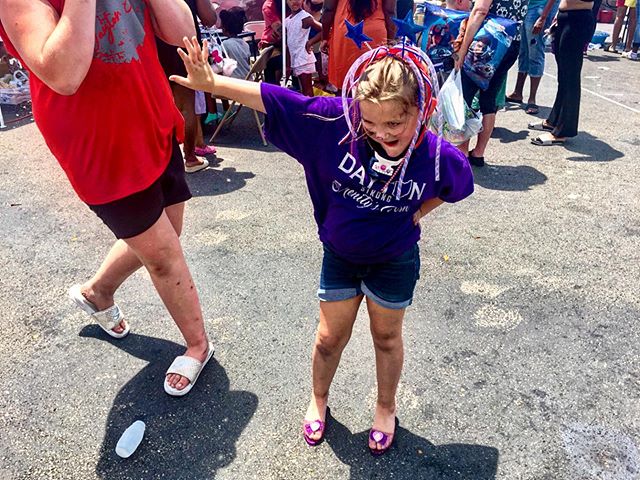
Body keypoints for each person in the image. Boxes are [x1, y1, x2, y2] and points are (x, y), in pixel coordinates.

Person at [170, 37, 474, 454]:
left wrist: (421, 210)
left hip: (395, 259)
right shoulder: (334, 125)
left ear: (423, 112)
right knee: (328, 338)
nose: (381, 136)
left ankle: (386, 408)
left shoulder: (438, 155)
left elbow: (458, 185)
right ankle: (319, 399)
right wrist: (213, 84)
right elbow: (277, 100)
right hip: (340, 256)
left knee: (387, 337)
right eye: (369, 125)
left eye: (394, 126)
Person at [0, 0, 213, 396]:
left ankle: (96, 292)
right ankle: (198, 343)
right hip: (102, 148)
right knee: (164, 258)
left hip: (153, 119)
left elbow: (183, 31)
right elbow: (64, 74)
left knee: (169, 234)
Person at [454, 0, 530, 166]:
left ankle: (462, 150)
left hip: (489, 39)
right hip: (512, 41)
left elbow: (480, 10)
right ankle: (479, 152)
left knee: (465, 96)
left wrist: (463, 48)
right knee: (489, 98)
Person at [157, 0, 217, 173]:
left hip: (151, 46)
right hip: (183, 45)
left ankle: (162, 161)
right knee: (186, 106)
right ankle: (190, 158)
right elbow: (209, 19)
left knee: (154, 104)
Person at [528, 0, 595, 146]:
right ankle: (554, 121)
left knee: (570, 77)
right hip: (565, 17)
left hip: (578, 19)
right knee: (563, 77)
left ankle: (563, 131)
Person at [321, 0, 397, 91]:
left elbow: (328, 9)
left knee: (345, 85)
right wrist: (391, 41)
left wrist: (324, 37)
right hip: (376, 35)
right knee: (375, 85)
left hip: (346, 33)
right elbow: (390, 11)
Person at [506, 0, 559, 115]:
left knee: (535, 51)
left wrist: (543, 17)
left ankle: (532, 99)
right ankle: (517, 92)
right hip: (527, 8)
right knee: (523, 51)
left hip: (540, 9)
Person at [286, 0, 322, 96]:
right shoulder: (288, 20)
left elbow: (324, 30)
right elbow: (288, 43)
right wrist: (288, 63)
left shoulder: (305, 18)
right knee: (302, 89)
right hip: (295, 58)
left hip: (303, 59)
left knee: (307, 90)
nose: (294, 1)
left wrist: (310, 42)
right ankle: (306, 109)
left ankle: (311, 110)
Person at [220, 7, 252, 79]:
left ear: (224, 28)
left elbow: (220, 65)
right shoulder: (245, 44)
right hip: (248, 79)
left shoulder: (225, 44)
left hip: (235, 81)